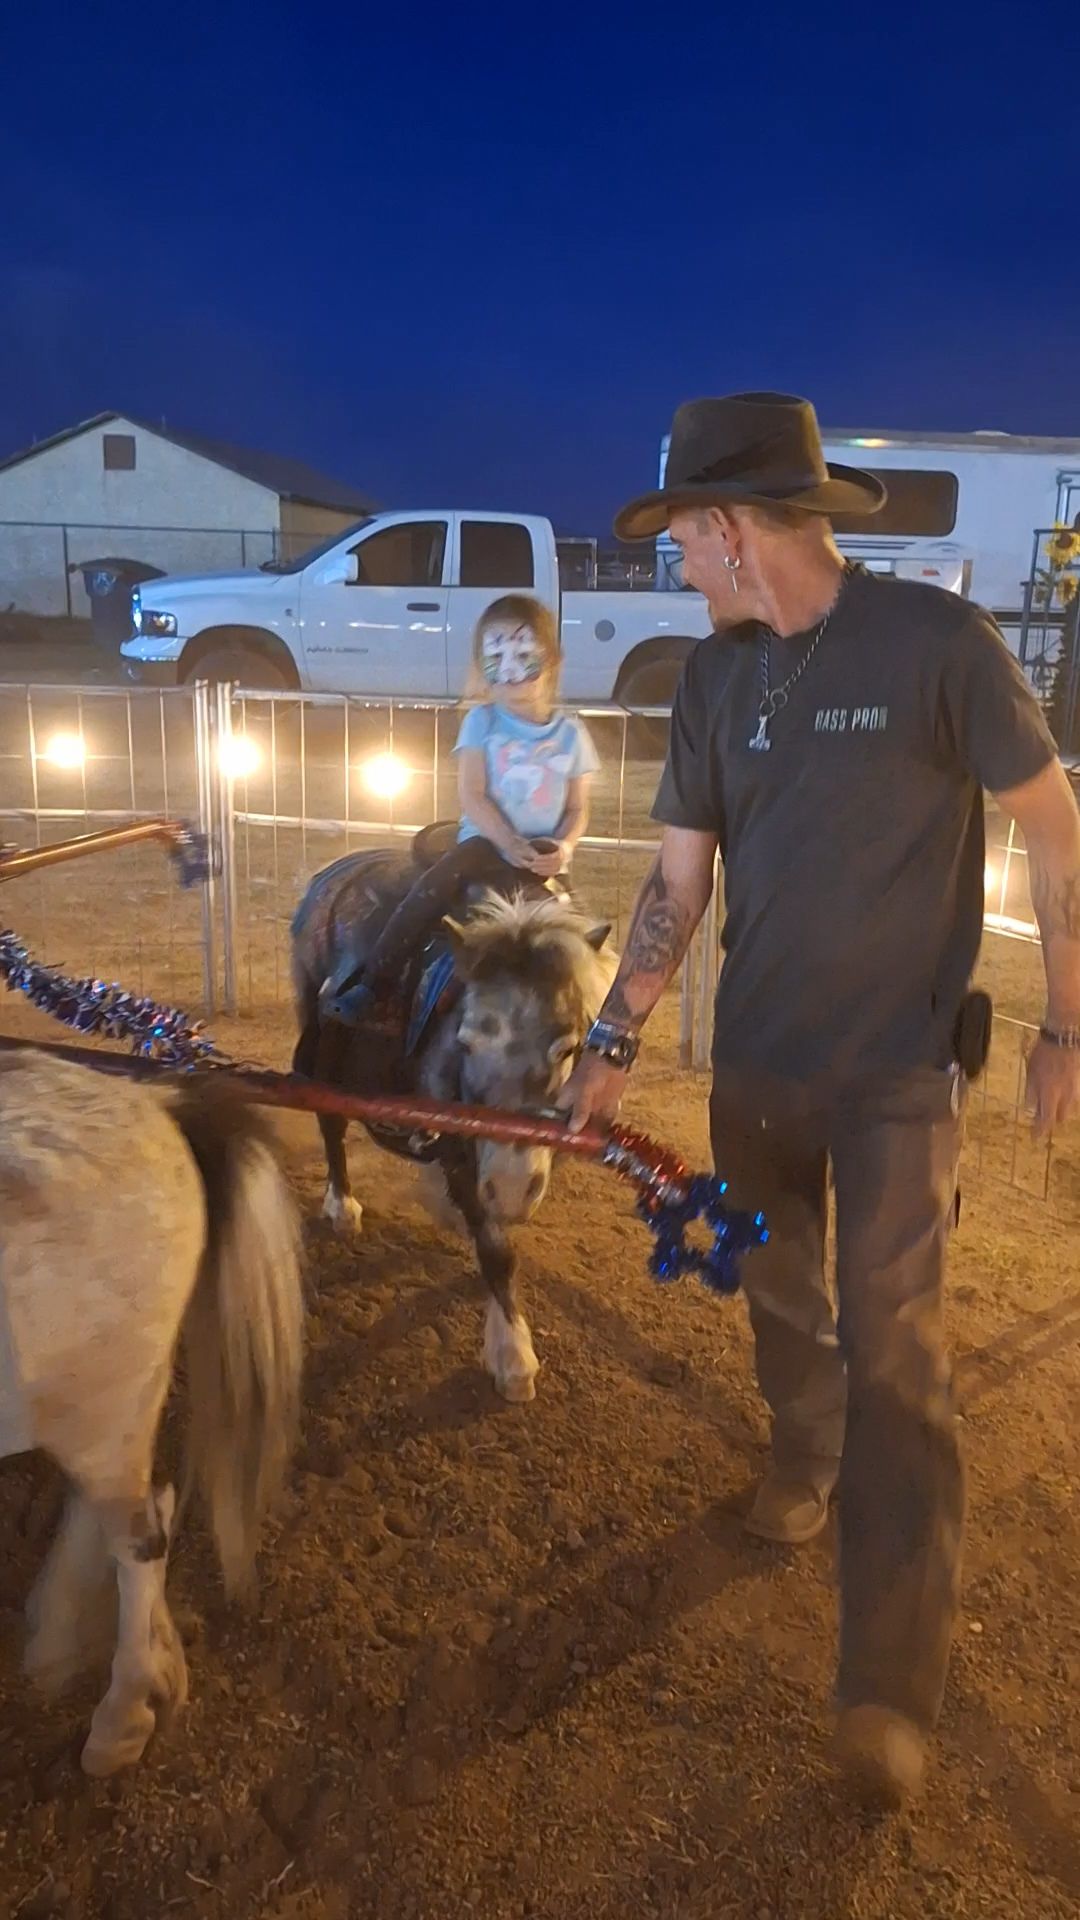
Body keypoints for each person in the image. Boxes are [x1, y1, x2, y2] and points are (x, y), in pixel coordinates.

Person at [559, 392, 1080, 1804]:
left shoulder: (935, 646)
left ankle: (888, 1691)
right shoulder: (715, 680)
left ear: (733, 527)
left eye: (680, 535)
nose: (673, 560)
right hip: (763, 1071)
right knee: (782, 1296)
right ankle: (803, 1450)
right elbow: (678, 887)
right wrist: (608, 1042)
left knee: (900, 1353)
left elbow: (1051, 816)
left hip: (902, 1074)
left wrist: (1065, 1020)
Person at [325, 593, 599, 1028]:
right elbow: (473, 793)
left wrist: (564, 847)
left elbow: (577, 806)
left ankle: (587, 1018)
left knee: (582, 937)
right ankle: (376, 978)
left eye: (523, 652)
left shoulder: (571, 734)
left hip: (543, 855)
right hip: (485, 845)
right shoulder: (482, 722)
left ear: (550, 659)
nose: (509, 668)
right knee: (431, 890)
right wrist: (507, 842)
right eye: (495, 655)